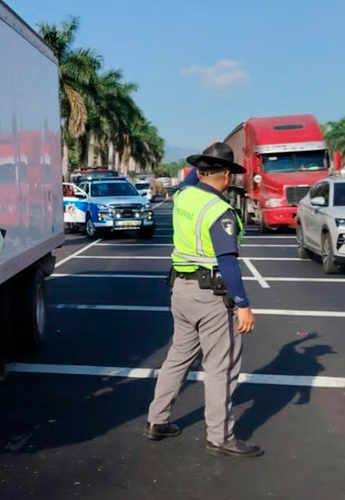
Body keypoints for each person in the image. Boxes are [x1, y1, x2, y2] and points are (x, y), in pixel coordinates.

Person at [144, 142, 262, 458]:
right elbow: (227, 262)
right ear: (225, 175)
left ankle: (157, 420)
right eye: (230, 174)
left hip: (181, 290)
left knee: (178, 357)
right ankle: (220, 437)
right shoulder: (219, 211)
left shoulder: (185, 196)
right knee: (221, 368)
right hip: (210, 295)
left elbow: (190, 182)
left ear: (199, 172)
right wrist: (243, 304)